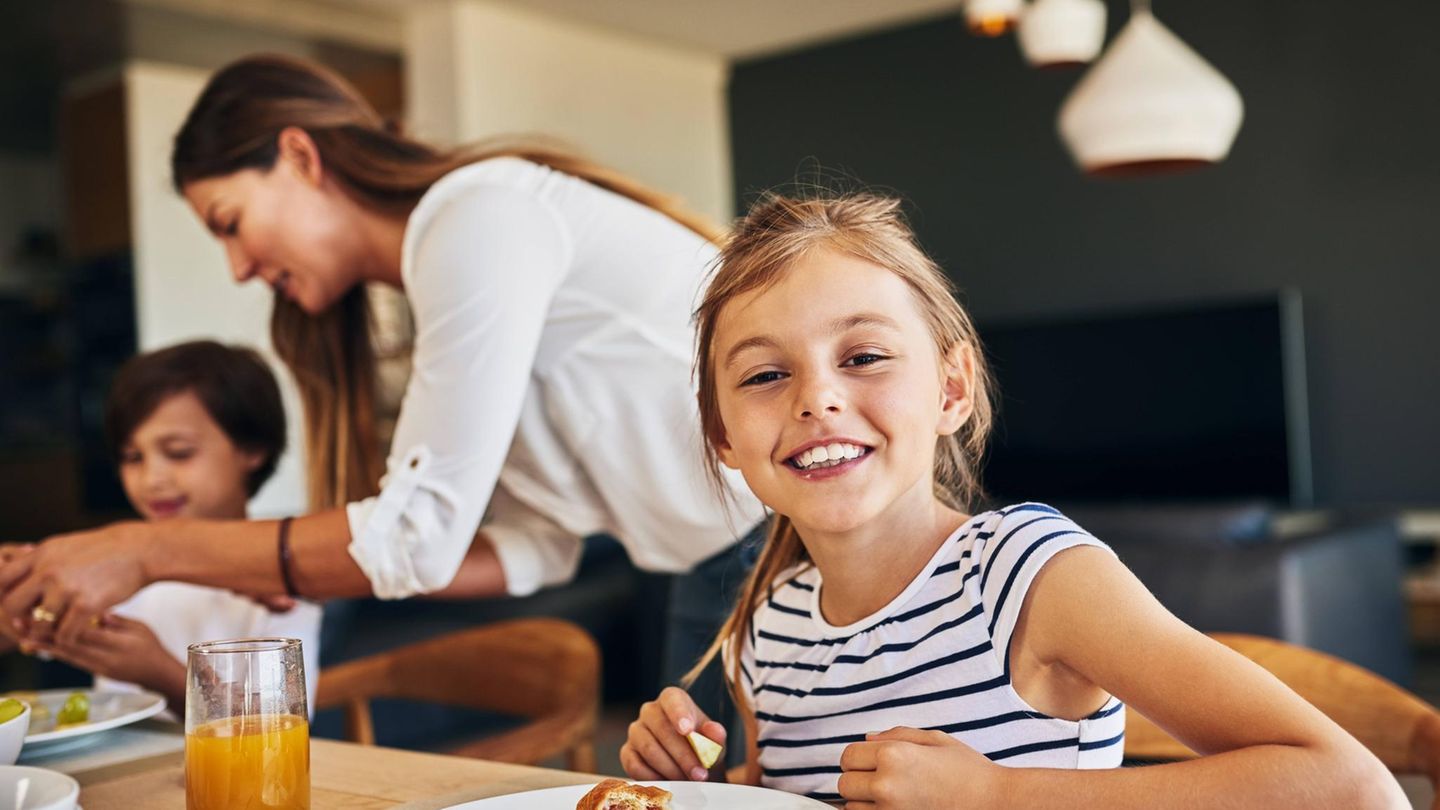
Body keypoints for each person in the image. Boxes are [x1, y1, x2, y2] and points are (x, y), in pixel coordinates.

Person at [0, 54, 762, 713]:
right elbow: (536, 547)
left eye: (230, 222)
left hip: (775, 544)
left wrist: (145, 550)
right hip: (706, 567)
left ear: (299, 157)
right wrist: (274, 567)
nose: (237, 268)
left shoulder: (479, 219)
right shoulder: (446, 277)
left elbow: (414, 540)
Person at [619, 193, 1401, 807]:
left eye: (864, 356)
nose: (816, 398)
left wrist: (999, 796)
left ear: (951, 390)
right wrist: (699, 785)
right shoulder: (769, 622)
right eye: (765, 374)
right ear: (723, 435)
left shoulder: (1030, 577)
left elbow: (1352, 789)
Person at [1, 341, 321, 714]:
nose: (152, 479)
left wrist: (158, 672)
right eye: (132, 457)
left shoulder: (278, 578)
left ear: (252, 449)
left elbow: (276, 724)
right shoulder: (105, 565)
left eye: (178, 452)